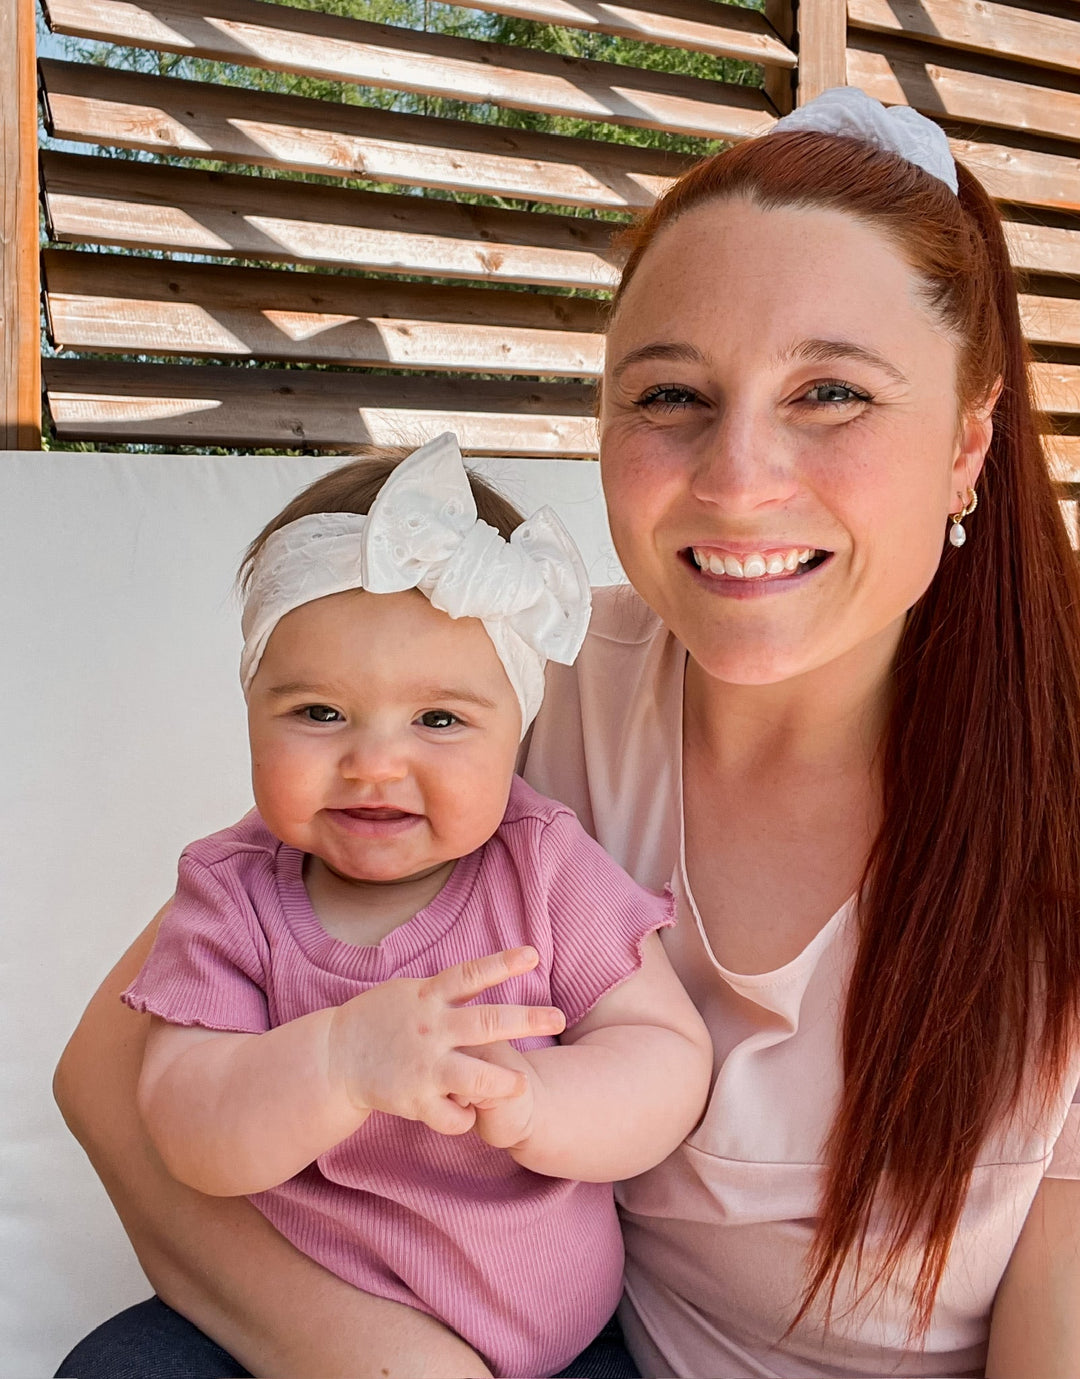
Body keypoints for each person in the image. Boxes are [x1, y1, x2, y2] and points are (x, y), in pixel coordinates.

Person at [53, 85, 1080, 1379]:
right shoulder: (521, 681)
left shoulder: (1055, 787)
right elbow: (111, 1074)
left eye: (830, 391)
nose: (737, 476)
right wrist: (381, 1356)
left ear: (966, 442)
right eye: (671, 395)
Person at [112, 432, 712, 1379]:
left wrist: (544, 1101)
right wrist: (338, 1065)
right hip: (292, 1317)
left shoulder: (544, 865)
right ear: (250, 705)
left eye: (439, 720)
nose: (374, 762)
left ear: (516, 729)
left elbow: (667, 1056)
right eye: (318, 713)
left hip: (555, 1345)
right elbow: (184, 1120)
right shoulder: (231, 894)